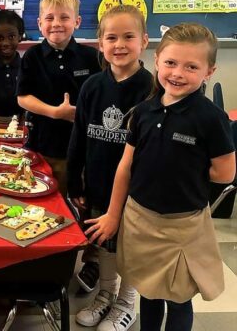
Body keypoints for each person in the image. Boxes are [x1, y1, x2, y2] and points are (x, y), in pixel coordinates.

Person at [86, 23, 236, 331]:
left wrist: (183, 173)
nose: (178, 73)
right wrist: (113, 215)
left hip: (182, 226)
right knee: (149, 292)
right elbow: (125, 167)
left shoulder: (209, 118)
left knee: (178, 298)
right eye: (170, 63)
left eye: (191, 66)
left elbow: (225, 171)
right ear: (157, 61)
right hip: (140, 219)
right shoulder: (143, 112)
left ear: (208, 71)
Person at [67, 5, 153, 331]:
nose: (119, 44)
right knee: (103, 243)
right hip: (98, 183)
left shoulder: (152, 90)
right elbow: (78, 138)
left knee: (129, 247)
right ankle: (105, 295)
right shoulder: (91, 87)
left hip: (136, 191)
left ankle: (126, 303)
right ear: (100, 43)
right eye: (111, 37)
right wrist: (75, 183)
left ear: (144, 40)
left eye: (128, 36)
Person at [17, 0, 101, 198]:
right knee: (37, 195)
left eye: (64, 17)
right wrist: (55, 112)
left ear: (77, 21)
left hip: (78, 147)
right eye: (49, 18)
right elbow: (23, 97)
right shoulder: (32, 56)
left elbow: (100, 96)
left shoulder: (92, 57)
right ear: (39, 24)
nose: (56, 23)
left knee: (69, 199)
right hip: (41, 145)